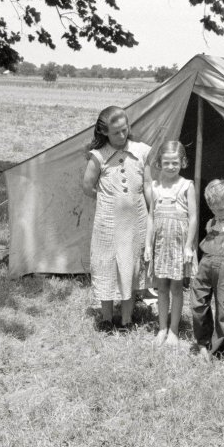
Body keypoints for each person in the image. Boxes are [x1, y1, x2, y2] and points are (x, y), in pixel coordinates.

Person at [83, 106, 152, 331]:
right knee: (106, 265)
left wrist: (153, 212)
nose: (122, 135)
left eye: (125, 130)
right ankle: (106, 318)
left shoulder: (141, 152)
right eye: (116, 133)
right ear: (104, 133)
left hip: (135, 222)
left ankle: (126, 319)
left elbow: (148, 185)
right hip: (108, 224)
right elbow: (87, 186)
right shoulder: (98, 156)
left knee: (130, 267)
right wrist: (108, 200)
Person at [145, 141, 198, 347]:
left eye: (174, 162)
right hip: (161, 246)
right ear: (159, 163)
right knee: (162, 288)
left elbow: (193, 218)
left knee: (177, 287)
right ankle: (162, 328)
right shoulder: (155, 187)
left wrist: (188, 246)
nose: (170, 167)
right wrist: (149, 245)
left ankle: (174, 330)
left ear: (183, 162)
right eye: (166, 163)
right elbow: (151, 217)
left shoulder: (186, 185)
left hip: (178, 244)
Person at [190, 179, 224, 360]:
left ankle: (217, 349)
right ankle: (203, 342)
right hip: (206, 267)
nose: (217, 213)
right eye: (213, 209)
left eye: (221, 209)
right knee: (198, 303)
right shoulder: (211, 223)